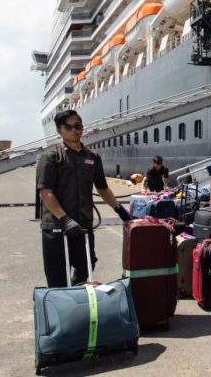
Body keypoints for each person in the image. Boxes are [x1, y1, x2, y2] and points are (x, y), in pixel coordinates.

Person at [37, 110, 131, 288]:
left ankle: (76, 300)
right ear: (59, 130)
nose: (74, 130)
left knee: (86, 269)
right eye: (68, 127)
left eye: (78, 126)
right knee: (57, 276)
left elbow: (102, 187)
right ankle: (61, 306)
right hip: (57, 227)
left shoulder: (92, 157)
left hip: (83, 225)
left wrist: (120, 211)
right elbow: (45, 192)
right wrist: (65, 220)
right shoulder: (51, 157)